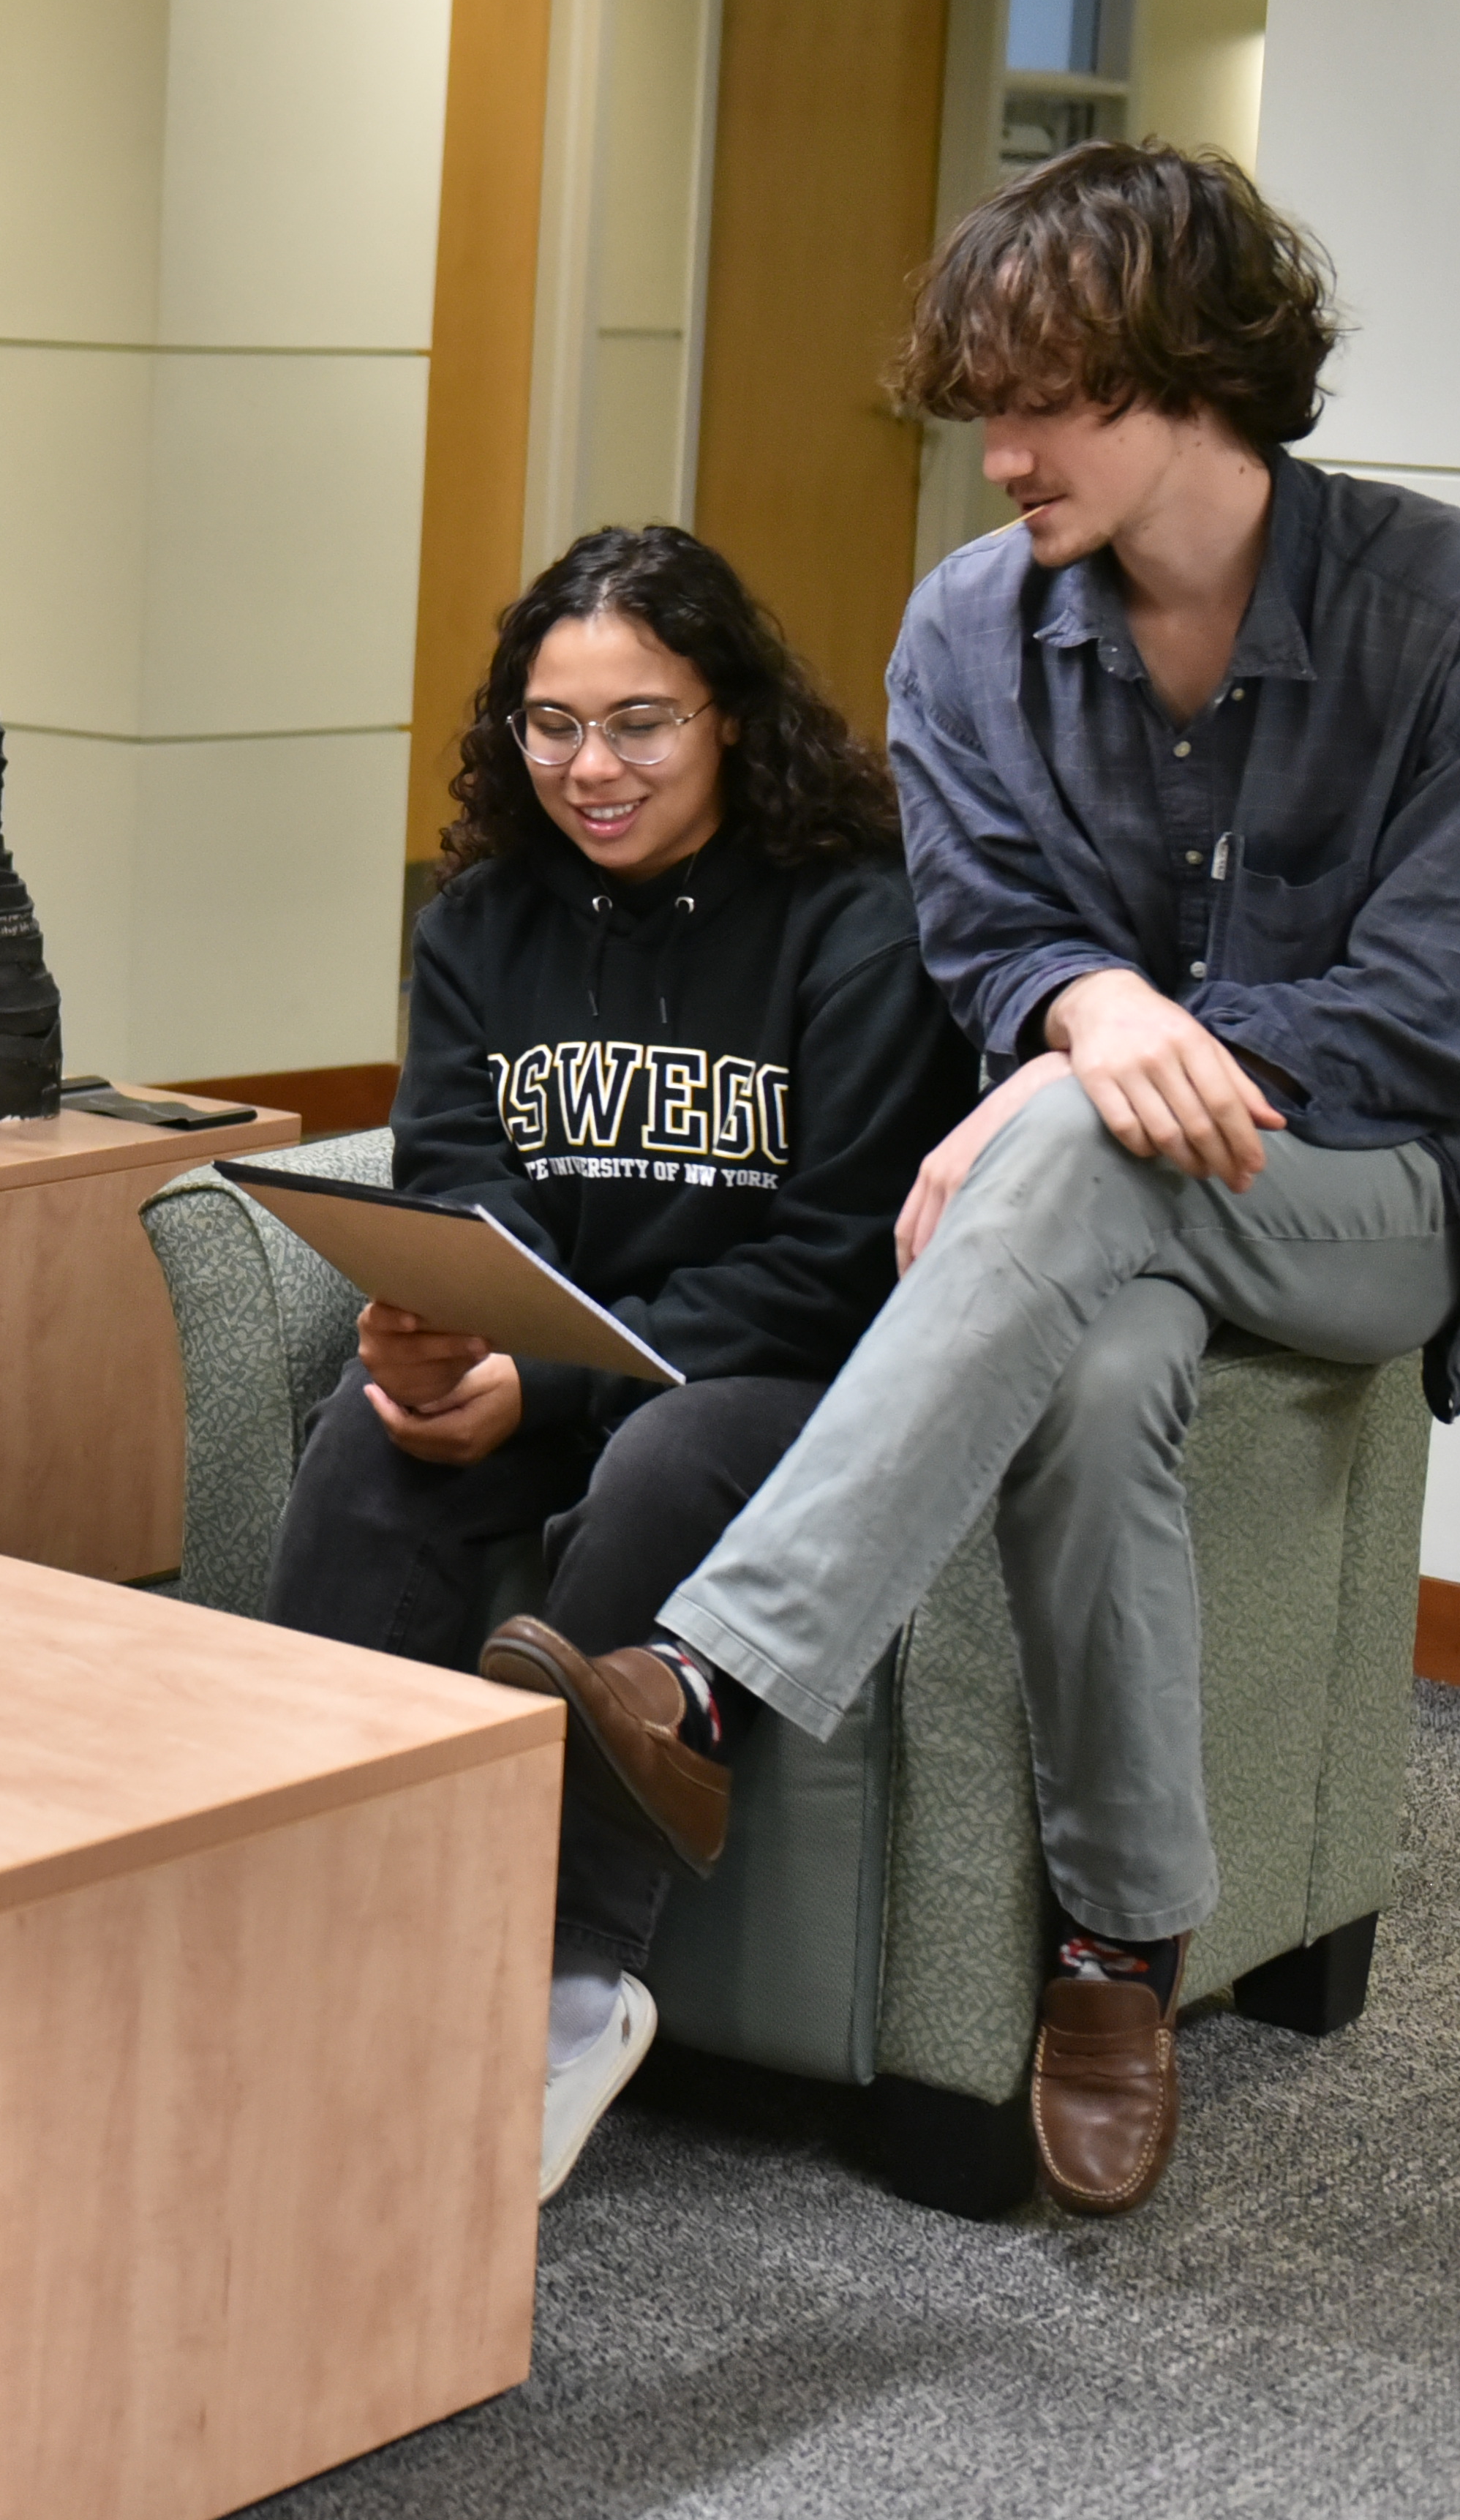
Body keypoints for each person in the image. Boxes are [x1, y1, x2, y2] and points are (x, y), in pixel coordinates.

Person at [527, 141, 1460, 2216]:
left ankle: (712, 1668)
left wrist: (1088, 1066)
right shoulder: (968, 631)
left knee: (1082, 1132)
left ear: (1198, 375)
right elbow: (989, 936)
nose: (996, 455)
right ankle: (1120, 1949)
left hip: (1394, 1194)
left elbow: (1456, 1009)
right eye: (980, 408)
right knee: (1099, 1386)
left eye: (1045, 404)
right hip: (1111, 1217)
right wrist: (1083, 1017)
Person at [266, 528, 970, 2202]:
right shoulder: (482, 919)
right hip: (556, 1349)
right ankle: (300, 1892)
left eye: (639, 721)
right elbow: (451, 1171)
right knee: (369, 1441)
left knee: (661, 1460)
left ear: (728, 714)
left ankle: (573, 1975)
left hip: (767, 1384)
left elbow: (833, 1257)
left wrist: (559, 1385)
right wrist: (448, 1338)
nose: (591, 767)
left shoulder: (859, 925)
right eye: (549, 723)